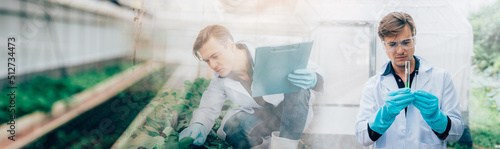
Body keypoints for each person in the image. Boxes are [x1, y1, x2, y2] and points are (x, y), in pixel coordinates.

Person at [178, 25, 325, 148]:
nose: (212, 65)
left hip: (291, 115)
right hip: (262, 119)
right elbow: (209, 107)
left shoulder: (269, 51)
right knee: (233, 127)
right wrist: (198, 124)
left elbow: (317, 71)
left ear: (230, 45)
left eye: (215, 56)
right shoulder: (221, 77)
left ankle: (286, 145)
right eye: (207, 61)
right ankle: (266, 144)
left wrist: (314, 79)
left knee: (297, 84)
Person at [355, 12, 464, 148]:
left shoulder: (441, 77)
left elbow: (457, 133)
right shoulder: (373, 85)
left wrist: (437, 117)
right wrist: (384, 116)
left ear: (414, 40)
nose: (400, 50)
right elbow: (363, 137)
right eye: (392, 44)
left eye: (406, 42)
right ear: (384, 45)